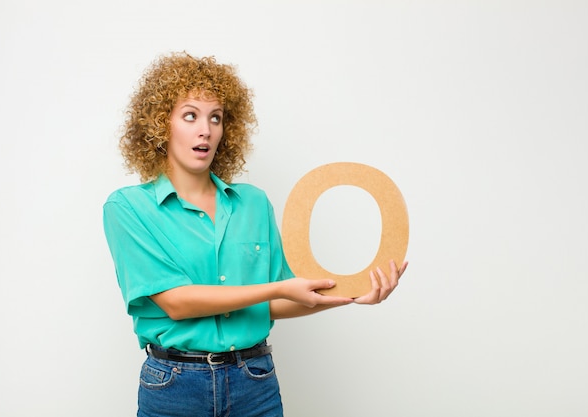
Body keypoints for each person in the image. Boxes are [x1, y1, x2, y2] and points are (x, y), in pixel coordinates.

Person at [103, 51, 408, 417]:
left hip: (255, 382)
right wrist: (278, 288)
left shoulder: (254, 204)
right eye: (190, 115)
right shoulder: (128, 208)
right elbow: (176, 302)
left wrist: (352, 294)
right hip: (174, 386)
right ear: (159, 124)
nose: (206, 129)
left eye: (216, 118)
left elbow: (277, 302)